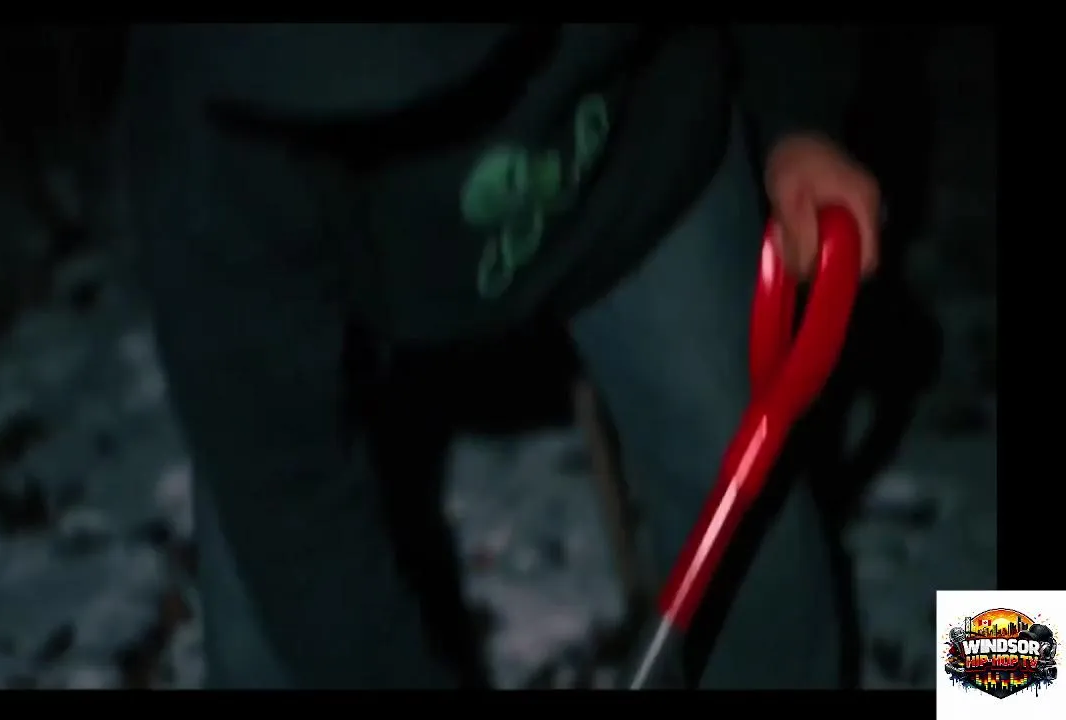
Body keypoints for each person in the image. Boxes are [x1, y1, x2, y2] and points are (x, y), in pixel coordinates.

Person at [119, 24, 882, 689]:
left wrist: (801, 112)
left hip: (637, 166)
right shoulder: (202, 130)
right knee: (275, 621)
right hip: (335, 261)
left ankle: (970, 674)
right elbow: (291, 508)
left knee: (759, 551)